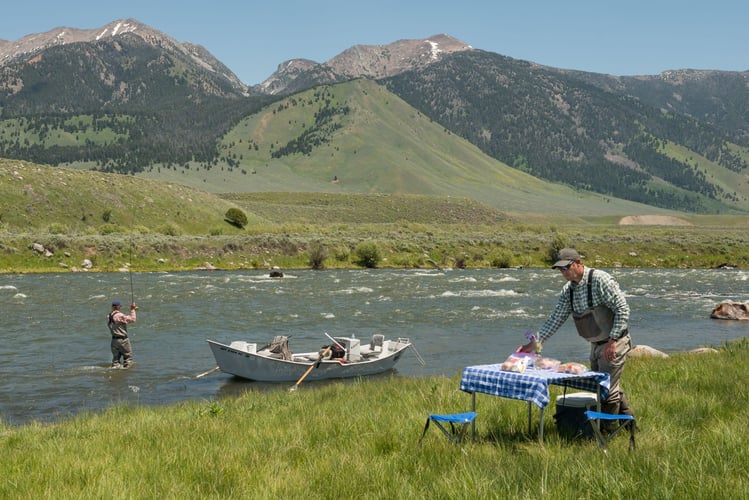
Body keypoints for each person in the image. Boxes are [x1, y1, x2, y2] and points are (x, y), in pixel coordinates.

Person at [517, 248, 634, 422]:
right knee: (604, 386)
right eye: (560, 269)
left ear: (578, 262)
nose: (563, 272)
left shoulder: (600, 280)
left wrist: (613, 340)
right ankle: (629, 425)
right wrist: (533, 344)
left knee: (606, 389)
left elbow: (622, 309)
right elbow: (555, 319)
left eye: (566, 267)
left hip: (614, 342)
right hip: (595, 344)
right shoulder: (568, 291)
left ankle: (606, 433)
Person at [108, 300, 137, 368]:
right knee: (128, 359)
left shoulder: (108, 316)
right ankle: (127, 375)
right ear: (118, 307)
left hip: (114, 341)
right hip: (123, 340)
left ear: (112, 307)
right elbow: (133, 319)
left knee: (115, 361)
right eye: (120, 306)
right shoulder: (120, 315)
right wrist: (132, 309)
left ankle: (115, 373)